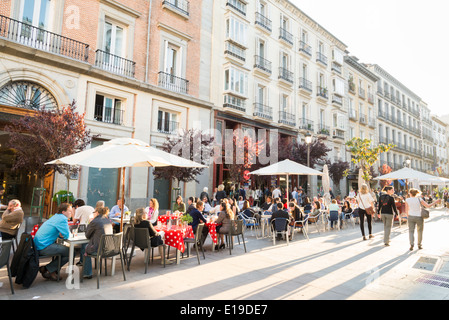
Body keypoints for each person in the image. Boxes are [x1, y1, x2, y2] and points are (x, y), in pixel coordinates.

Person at [34, 203, 72, 281]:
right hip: (43, 246)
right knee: (71, 252)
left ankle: (51, 270)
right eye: (69, 211)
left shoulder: (56, 216)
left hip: (39, 245)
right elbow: (67, 236)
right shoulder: (62, 218)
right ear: (63, 212)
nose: (71, 213)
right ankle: (49, 269)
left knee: (65, 252)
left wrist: (60, 234)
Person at [82, 207, 113, 279]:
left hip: (99, 250)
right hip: (109, 249)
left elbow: (87, 235)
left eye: (93, 212)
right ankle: (87, 270)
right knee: (88, 245)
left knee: (84, 247)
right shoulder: (107, 220)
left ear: (97, 213)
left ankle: (87, 273)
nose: (92, 214)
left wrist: (90, 224)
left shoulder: (95, 221)